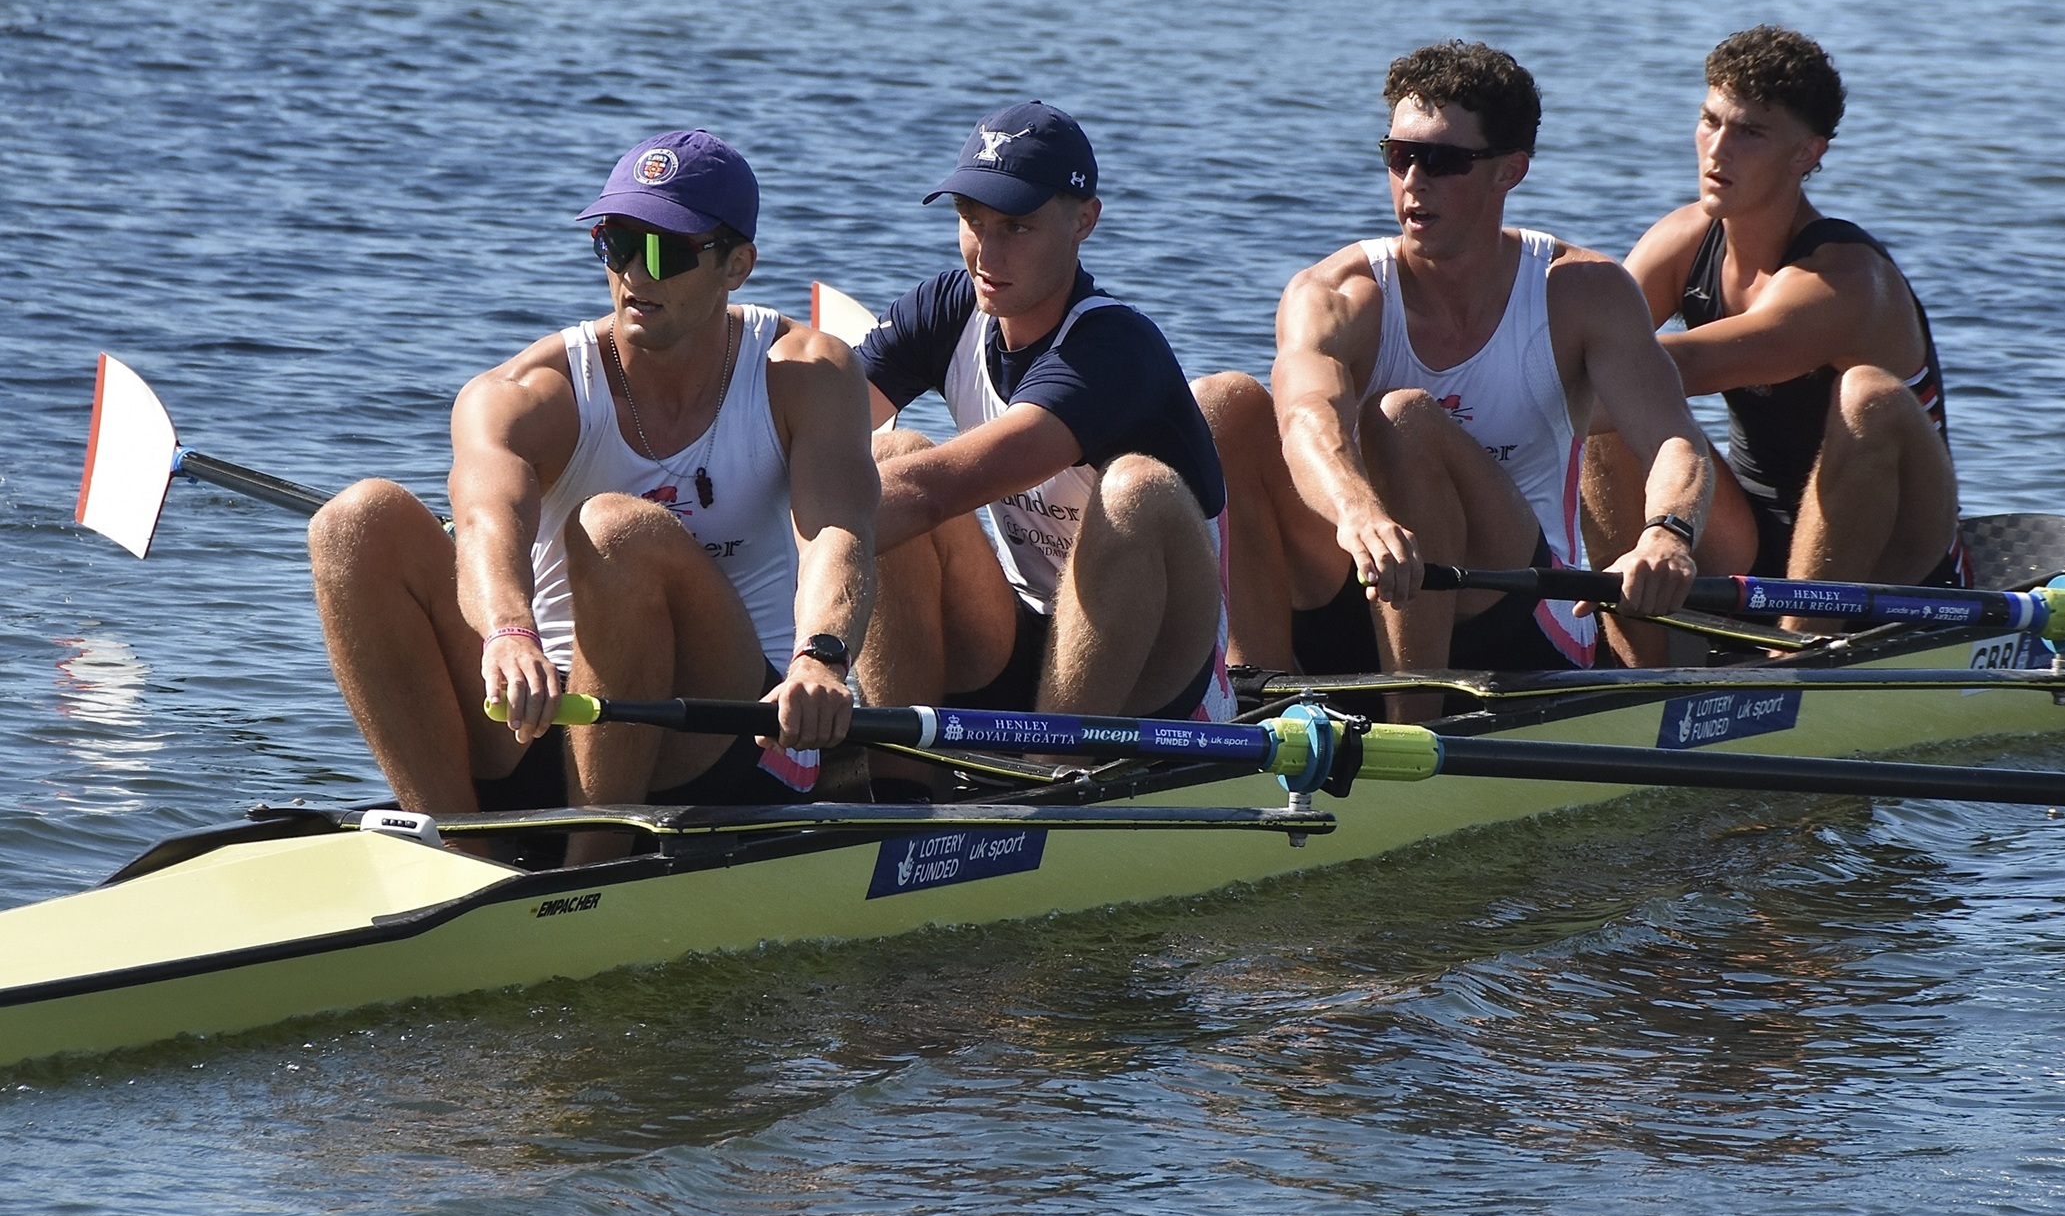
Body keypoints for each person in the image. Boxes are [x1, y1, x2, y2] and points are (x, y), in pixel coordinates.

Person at [307, 130, 878, 859]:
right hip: (543, 714)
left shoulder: (804, 373)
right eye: (617, 244)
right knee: (354, 522)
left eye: (667, 252)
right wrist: (508, 632)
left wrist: (821, 658)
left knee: (615, 529)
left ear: (737, 265)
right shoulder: (530, 392)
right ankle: (453, 847)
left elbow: (836, 533)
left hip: (730, 732)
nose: (636, 273)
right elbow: (484, 520)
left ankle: (590, 868)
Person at [1193, 42, 1711, 699]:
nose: (1414, 180)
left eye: (1441, 160)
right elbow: (1303, 419)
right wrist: (1357, 513)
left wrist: (1667, 534)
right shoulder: (1337, 293)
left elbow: (1675, 439)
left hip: (1520, 612)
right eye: (1399, 155)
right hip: (1372, 583)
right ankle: (1259, 694)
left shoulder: (1583, 293)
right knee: (1221, 403)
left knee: (1403, 418)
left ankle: (1414, 721)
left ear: (1509, 171)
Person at [851, 101, 1234, 737]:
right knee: (890, 455)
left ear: (1084, 220)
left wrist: (791, 548)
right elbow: (812, 429)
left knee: (1133, 489)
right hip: (1026, 632)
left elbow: (933, 492)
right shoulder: (946, 309)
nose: (985, 252)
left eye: (1016, 227)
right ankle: (899, 777)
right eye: (971, 219)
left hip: (1157, 677)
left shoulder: (1115, 349)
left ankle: (1053, 772)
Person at [1581, 26, 1966, 637]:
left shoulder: (1842, 281)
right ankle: (1633, 658)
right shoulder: (1683, 241)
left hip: (1894, 560)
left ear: (1806, 154)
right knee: (1605, 413)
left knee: (1867, 394)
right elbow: (1584, 348)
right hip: (1752, 539)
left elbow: (1677, 367)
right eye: (1710, 121)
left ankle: (1791, 656)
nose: (1718, 149)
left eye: (1750, 133)